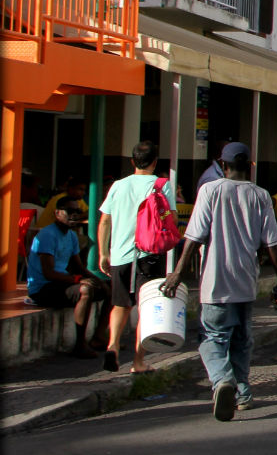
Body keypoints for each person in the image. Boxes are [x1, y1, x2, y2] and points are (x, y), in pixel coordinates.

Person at [161, 141, 277, 421]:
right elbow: (272, 244)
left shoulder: (210, 190)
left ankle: (222, 381)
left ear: (224, 165)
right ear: (250, 165)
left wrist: (178, 272)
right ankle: (243, 394)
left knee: (212, 339)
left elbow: (194, 236)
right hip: (246, 281)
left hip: (216, 284)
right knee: (242, 341)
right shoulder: (261, 195)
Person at [97, 140, 175, 373]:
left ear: (132, 161)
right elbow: (169, 217)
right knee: (146, 308)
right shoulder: (162, 185)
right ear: (154, 162)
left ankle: (113, 346)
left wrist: (103, 253)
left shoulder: (118, 186)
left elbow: (105, 221)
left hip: (120, 255)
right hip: (149, 254)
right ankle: (138, 362)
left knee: (120, 304)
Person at [27, 197, 110, 358]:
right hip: (43, 288)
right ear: (57, 213)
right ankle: (80, 344)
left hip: (62, 283)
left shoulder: (71, 236)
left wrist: (101, 282)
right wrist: (78, 280)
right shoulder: (47, 235)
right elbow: (49, 273)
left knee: (110, 287)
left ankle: (98, 337)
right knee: (85, 290)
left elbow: (78, 267)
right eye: (69, 211)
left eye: (77, 211)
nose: (74, 215)